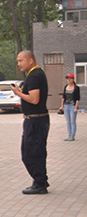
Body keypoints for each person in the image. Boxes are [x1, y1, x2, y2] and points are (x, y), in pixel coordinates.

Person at [10, 50, 50, 195]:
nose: (18, 64)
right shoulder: (37, 74)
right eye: (18, 61)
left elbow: (34, 99)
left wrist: (18, 93)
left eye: (21, 61)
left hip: (35, 120)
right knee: (36, 151)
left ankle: (39, 183)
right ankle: (40, 180)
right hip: (37, 119)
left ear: (30, 61)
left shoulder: (34, 76)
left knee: (30, 153)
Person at [59, 73, 80, 141]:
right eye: (67, 79)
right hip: (66, 106)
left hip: (72, 106)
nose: (68, 80)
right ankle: (69, 135)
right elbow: (63, 97)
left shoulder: (76, 88)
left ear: (73, 79)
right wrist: (62, 106)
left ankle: (72, 136)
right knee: (68, 122)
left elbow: (77, 99)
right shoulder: (66, 87)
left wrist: (76, 107)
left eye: (70, 78)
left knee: (72, 121)